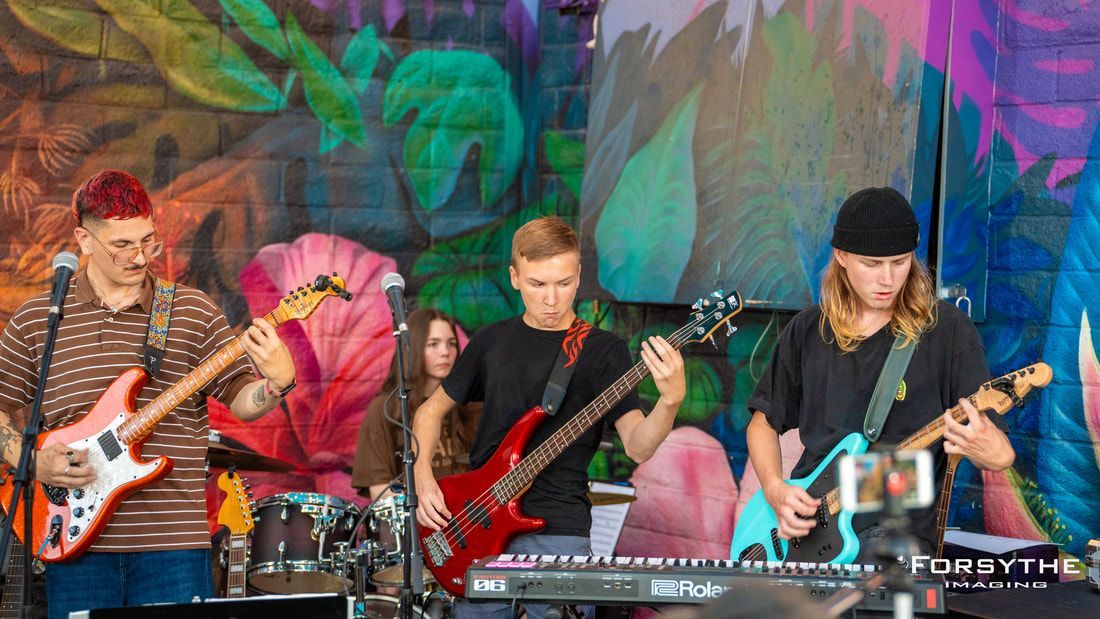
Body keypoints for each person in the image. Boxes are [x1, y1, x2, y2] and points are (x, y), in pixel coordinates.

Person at [0, 170, 296, 618]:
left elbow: (242, 399)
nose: (140, 257)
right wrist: (34, 462)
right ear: (84, 240)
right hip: (72, 544)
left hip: (174, 546)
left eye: (148, 241)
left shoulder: (193, 310)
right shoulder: (40, 318)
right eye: (121, 245)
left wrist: (276, 383)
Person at [413, 216, 687, 619]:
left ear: (579, 275)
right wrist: (422, 477)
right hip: (475, 525)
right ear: (514, 277)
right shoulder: (490, 342)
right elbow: (428, 411)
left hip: (560, 531)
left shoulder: (603, 351)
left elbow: (638, 446)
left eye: (564, 283)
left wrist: (670, 401)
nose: (551, 299)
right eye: (537, 284)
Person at [745, 187, 1015, 562]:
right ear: (841, 256)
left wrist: (994, 451)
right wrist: (776, 490)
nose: (887, 279)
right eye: (871, 265)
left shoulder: (947, 331)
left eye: (899, 262)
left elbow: (999, 454)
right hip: (808, 533)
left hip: (896, 540)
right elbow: (762, 423)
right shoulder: (808, 329)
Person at [352, 308, 479, 501]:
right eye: (433, 344)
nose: (445, 352)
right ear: (414, 348)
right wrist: (422, 508)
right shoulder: (384, 409)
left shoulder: (471, 405)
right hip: (415, 517)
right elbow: (379, 490)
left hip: (469, 515)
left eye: (451, 343)